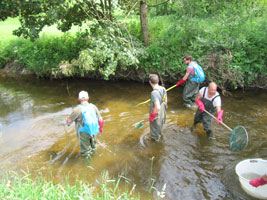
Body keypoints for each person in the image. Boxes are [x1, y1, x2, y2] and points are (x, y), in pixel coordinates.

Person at [66, 91, 104, 159]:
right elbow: (100, 119)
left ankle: (88, 165)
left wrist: (67, 119)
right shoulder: (93, 106)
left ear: (78, 99)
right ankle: (95, 159)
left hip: (83, 132)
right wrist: (100, 129)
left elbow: (69, 122)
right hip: (94, 130)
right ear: (88, 98)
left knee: (85, 151)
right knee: (93, 147)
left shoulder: (77, 109)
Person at [148, 74, 167, 142]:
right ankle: (159, 137)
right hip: (163, 112)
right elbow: (165, 102)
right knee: (159, 128)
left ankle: (156, 144)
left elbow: (157, 107)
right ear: (158, 81)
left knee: (155, 134)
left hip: (156, 114)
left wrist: (152, 116)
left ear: (150, 82)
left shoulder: (154, 93)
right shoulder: (163, 88)